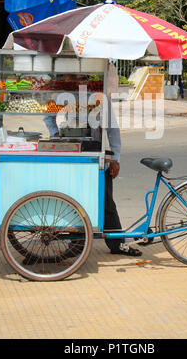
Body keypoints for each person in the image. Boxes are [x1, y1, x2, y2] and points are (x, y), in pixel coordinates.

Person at [43, 86, 142, 258]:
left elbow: (113, 130)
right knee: (75, 202)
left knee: (107, 203)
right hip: (73, 156)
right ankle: (77, 243)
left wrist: (116, 158)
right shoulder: (63, 95)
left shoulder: (101, 98)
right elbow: (48, 117)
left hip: (97, 157)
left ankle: (117, 244)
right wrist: (56, 134)